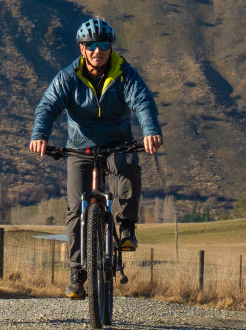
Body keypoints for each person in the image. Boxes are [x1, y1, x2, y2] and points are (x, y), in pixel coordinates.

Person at [29, 17, 163, 300]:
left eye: (103, 45)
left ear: (110, 48)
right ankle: (77, 272)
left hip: (118, 143)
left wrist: (150, 131)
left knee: (128, 167)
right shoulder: (68, 76)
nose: (97, 51)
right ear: (82, 48)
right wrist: (39, 135)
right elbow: (48, 106)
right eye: (91, 46)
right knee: (76, 208)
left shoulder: (124, 73)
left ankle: (126, 227)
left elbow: (142, 101)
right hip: (80, 147)